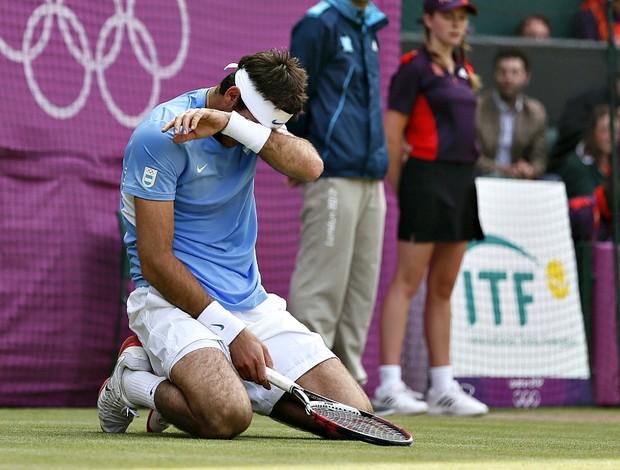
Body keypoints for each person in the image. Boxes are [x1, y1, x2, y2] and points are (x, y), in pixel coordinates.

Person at [97, 48, 372, 439]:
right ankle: (132, 383)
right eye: (255, 124)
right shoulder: (159, 136)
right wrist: (231, 333)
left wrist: (238, 127)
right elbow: (155, 261)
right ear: (232, 96)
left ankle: (207, 384)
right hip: (168, 302)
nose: (259, 136)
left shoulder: (246, 124)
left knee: (354, 416)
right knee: (227, 417)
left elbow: (311, 167)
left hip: (250, 303)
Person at [372, 0, 489, 416]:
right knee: (407, 282)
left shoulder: (464, 70)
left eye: (462, 19)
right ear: (428, 20)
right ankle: (388, 384)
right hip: (424, 179)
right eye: (449, 16)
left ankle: (442, 386)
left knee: (443, 288)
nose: (457, 25)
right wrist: (408, 190)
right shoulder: (413, 68)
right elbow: (392, 137)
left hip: (461, 183)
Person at [286, 0, 389, 387]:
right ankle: (305, 378)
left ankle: (347, 385)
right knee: (321, 283)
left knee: (361, 287)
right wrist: (299, 155)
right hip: (331, 173)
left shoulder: (369, 25)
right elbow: (292, 96)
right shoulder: (318, 24)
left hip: (370, 177)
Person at [476, 47, 548, 179]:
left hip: (521, 177)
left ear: (526, 77)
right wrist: (504, 170)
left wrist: (531, 169)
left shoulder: (535, 112)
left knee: (553, 180)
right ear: (494, 74)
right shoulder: (477, 107)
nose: (508, 78)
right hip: (485, 176)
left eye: (515, 73)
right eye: (503, 72)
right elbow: (472, 156)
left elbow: (539, 157)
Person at [556, 104, 619, 241]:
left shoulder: (615, 164)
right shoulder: (575, 164)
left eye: (616, 132)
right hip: (583, 233)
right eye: (605, 130)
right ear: (592, 132)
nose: (611, 137)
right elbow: (589, 204)